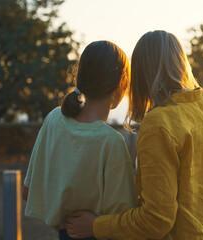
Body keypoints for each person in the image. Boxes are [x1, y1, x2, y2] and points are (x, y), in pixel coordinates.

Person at [65, 30, 203, 240]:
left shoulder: (158, 125)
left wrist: (96, 226)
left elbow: (157, 219)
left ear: (142, 73)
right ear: (181, 62)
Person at [22, 41, 135, 240]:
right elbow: (124, 221)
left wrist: (61, 220)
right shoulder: (111, 143)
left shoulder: (54, 119)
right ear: (122, 82)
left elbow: (27, 191)